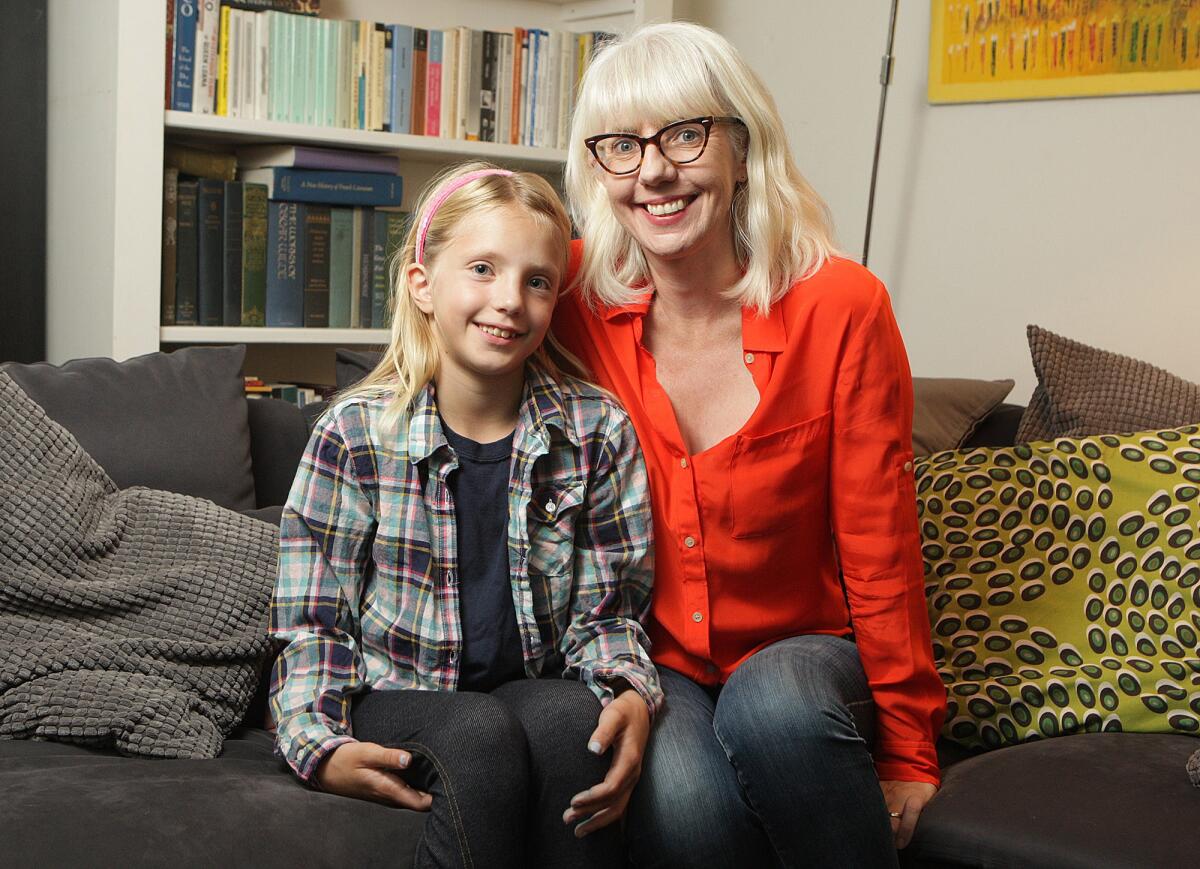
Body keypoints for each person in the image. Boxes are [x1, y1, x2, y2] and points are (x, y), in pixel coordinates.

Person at [554, 22, 946, 868]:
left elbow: (881, 543)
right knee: (687, 797)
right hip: (661, 662)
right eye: (620, 146)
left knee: (770, 704)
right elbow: (454, 286)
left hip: (803, 649)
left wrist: (910, 748)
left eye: (685, 135)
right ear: (597, 169)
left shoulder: (841, 304)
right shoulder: (573, 300)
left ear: (742, 147)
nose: (653, 170)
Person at [268, 161, 661, 869]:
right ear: (423, 283)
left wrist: (629, 688)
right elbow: (313, 624)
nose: (509, 299)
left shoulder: (597, 429)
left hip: (529, 678)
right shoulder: (354, 434)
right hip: (397, 689)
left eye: (536, 280)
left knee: (579, 722)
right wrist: (316, 745)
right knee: (477, 732)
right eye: (482, 268)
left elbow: (608, 614)